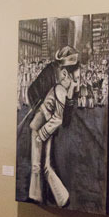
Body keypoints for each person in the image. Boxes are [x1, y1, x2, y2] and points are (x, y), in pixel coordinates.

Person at [28, 46, 81, 207]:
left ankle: (47, 196)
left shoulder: (64, 87)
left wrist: (43, 132)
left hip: (44, 127)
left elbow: (62, 118)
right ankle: (52, 197)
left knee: (42, 165)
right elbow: (33, 92)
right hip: (42, 123)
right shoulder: (54, 76)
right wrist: (42, 109)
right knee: (42, 165)